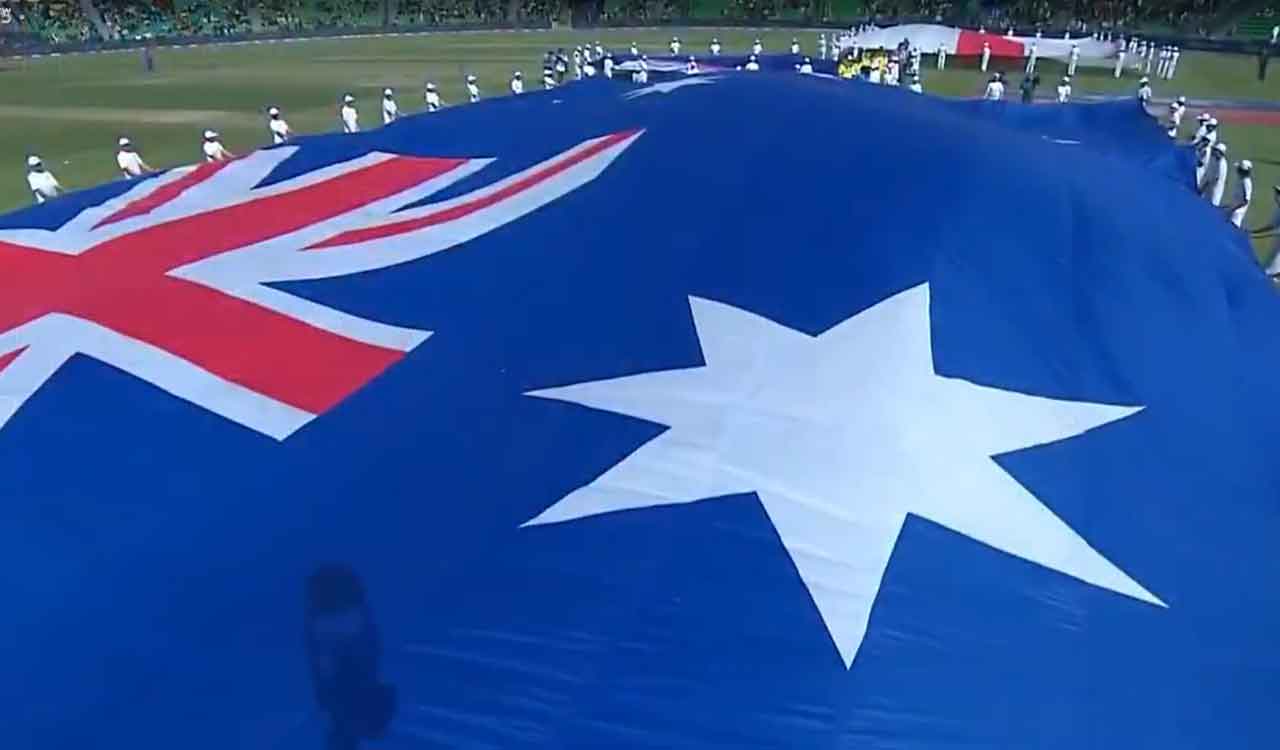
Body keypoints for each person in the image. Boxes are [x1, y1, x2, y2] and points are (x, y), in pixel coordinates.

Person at [1254, 187, 1280, 278]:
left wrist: (1257, 236)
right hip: (1276, 244)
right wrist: (1255, 232)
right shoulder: (1278, 210)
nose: (1276, 196)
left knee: (1271, 270)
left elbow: (1276, 231)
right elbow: (1271, 226)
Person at [1202, 142, 1229, 207]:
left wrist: (1204, 187)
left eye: (1216, 150)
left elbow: (1216, 179)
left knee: (1211, 205)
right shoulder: (1214, 158)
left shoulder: (1222, 164)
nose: (1214, 151)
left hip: (1215, 190)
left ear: (1220, 153)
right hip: (1209, 186)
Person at [1228, 160, 1254, 228]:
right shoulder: (1241, 179)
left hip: (1237, 214)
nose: (1237, 170)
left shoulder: (1246, 182)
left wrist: (1234, 209)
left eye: (1239, 169)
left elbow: (1246, 201)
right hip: (1233, 210)